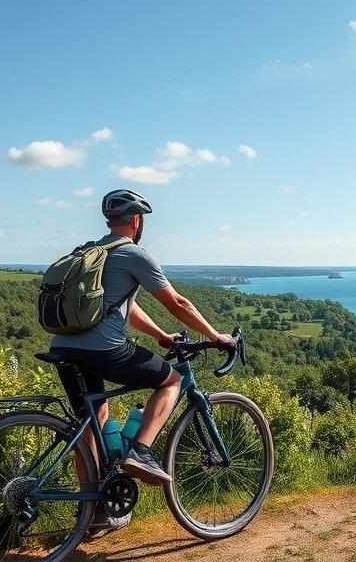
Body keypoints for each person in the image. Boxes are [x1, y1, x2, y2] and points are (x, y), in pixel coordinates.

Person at [48, 189, 236, 536]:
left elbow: (123, 307)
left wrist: (161, 335)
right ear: (137, 221)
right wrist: (215, 336)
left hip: (62, 347)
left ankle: (94, 511)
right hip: (103, 349)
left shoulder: (89, 253)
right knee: (171, 382)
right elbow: (178, 303)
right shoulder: (134, 254)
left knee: (91, 421)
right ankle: (141, 452)